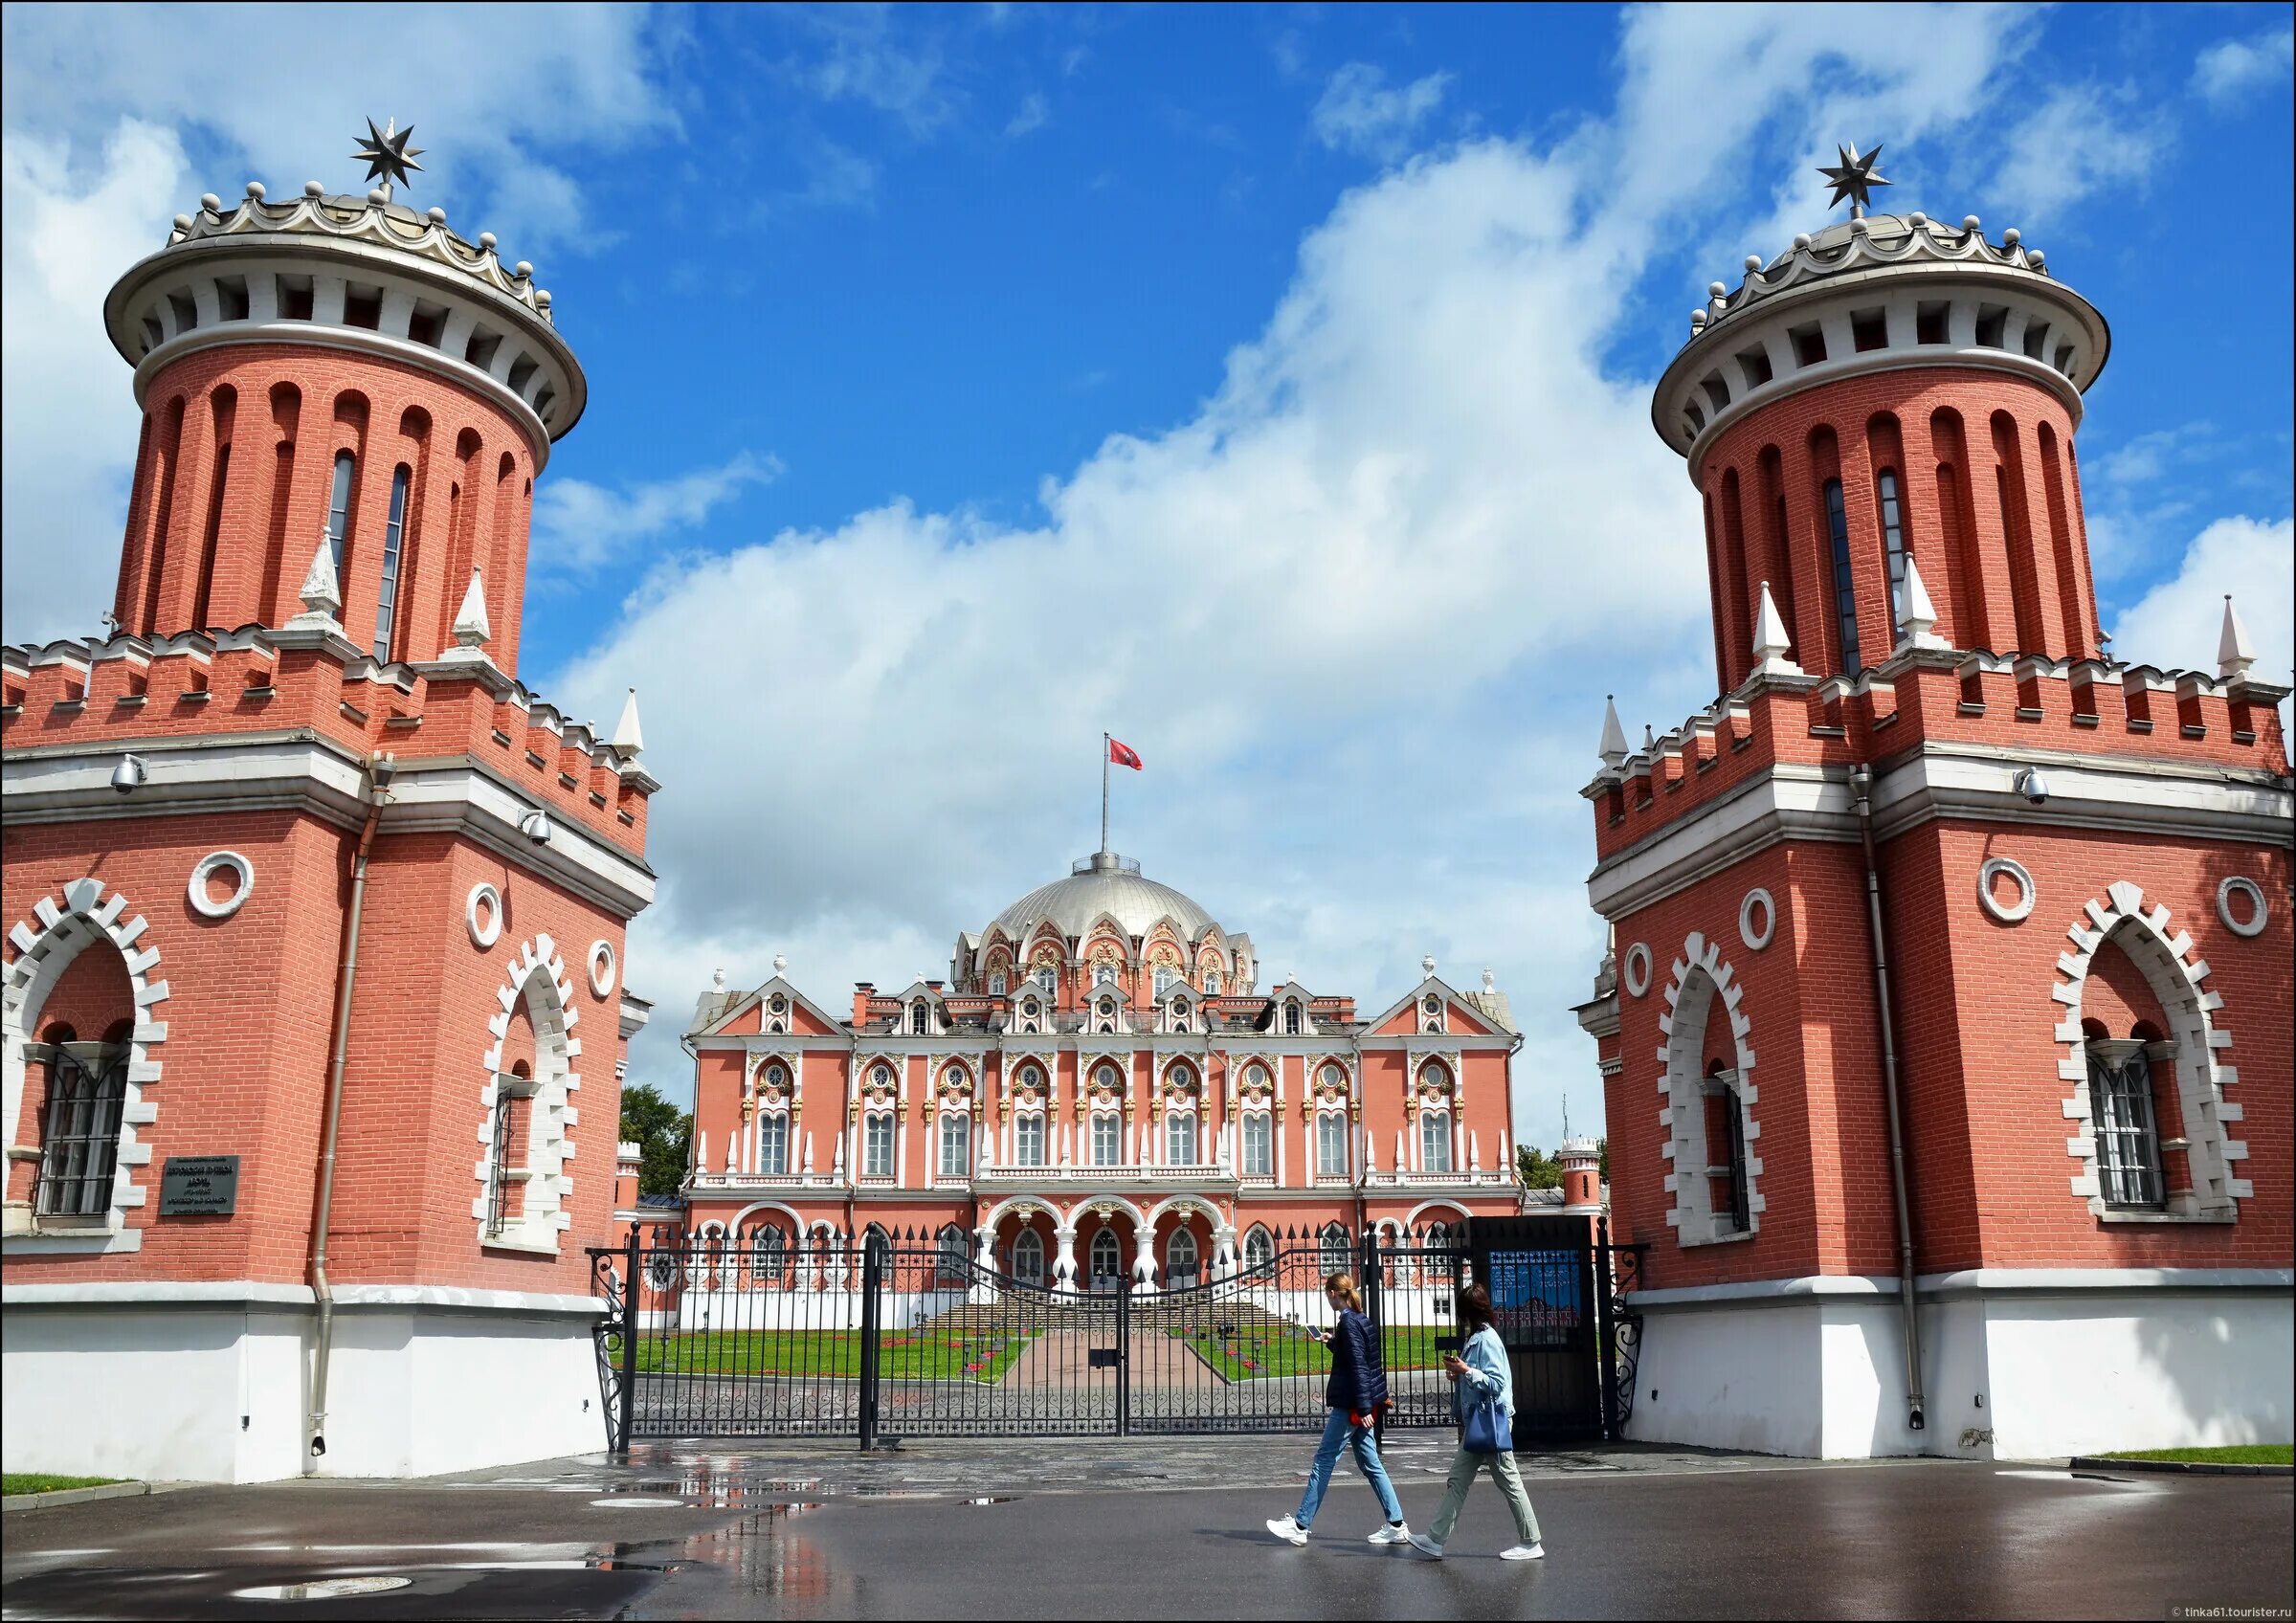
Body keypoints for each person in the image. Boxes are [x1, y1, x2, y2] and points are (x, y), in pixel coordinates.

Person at [1264, 1272, 1412, 1548]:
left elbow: (1358, 1365)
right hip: (1360, 1402)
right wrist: (1333, 1341)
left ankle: (1299, 1525)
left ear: (1334, 1293)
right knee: (1371, 1464)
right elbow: (1359, 1357)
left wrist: (1364, 1406)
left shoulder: (1348, 1322)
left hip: (1350, 1405)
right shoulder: (1359, 1318)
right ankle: (1396, 1524)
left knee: (1323, 1460)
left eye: (1326, 1293)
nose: (1326, 1298)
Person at [1410, 1282, 1543, 1561]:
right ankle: (1435, 1539)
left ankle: (1531, 1542)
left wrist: (1467, 1370)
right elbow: (1478, 1375)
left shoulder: (1486, 1339)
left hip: (1492, 1421)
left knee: (1508, 1479)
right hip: (1479, 1422)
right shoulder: (1478, 1337)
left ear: (1467, 1312)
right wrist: (1460, 1373)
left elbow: (1496, 1383)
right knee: (1457, 1480)